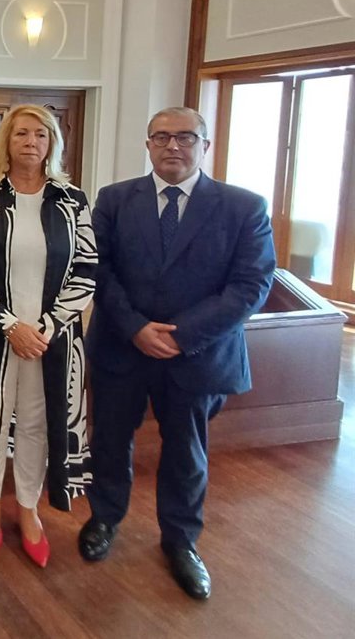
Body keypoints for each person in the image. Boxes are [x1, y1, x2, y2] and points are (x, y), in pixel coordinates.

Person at [78, 106, 275, 599]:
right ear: (147, 144)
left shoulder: (243, 207)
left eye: (185, 137)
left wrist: (180, 336)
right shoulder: (115, 199)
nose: (172, 146)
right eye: (161, 137)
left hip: (197, 354)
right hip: (122, 347)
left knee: (187, 453)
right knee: (109, 441)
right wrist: (136, 328)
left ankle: (181, 541)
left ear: (205, 146)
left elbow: (250, 285)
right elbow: (98, 269)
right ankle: (104, 518)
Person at [0, 104, 96, 568]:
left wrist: (46, 327)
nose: (31, 142)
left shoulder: (72, 199)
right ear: (6, 142)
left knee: (36, 422)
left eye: (40, 134)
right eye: (21, 134)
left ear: (52, 143)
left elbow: (86, 269)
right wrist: (10, 323)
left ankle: (28, 508)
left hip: (51, 340)